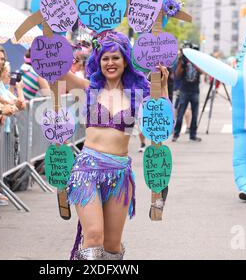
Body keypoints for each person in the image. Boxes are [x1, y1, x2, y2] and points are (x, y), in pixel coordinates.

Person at [61, 31, 169, 260]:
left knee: (112, 245)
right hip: (87, 170)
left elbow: (161, 120)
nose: (110, 63)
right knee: (93, 235)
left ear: (125, 61)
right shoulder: (88, 88)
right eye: (105, 58)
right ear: (98, 62)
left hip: (119, 173)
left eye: (115, 58)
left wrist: (164, 84)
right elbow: (57, 71)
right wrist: (55, 42)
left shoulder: (138, 93)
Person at [172, 43, 203, 142]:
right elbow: (177, 74)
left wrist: (193, 61)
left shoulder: (198, 60)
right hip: (184, 90)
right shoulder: (183, 61)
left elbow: (202, 71)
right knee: (180, 113)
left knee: (195, 114)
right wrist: (182, 62)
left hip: (195, 91)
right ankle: (176, 134)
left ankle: (193, 135)